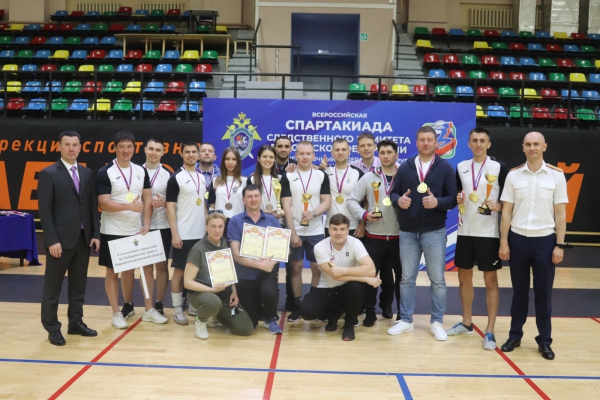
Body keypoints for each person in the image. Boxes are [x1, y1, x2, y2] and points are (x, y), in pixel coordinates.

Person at [499, 131, 568, 361]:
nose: (532, 148)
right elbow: (506, 211)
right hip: (517, 239)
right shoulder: (513, 175)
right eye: (528, 144)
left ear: (544, 147)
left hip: (545, 241)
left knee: (543, 294)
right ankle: (515, 336)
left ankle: (544, 342)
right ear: (523, 147)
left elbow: (560, 214)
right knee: (519, 293)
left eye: (536, 144)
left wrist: (559, 245)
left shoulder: (557, 175)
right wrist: (504, 241)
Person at [388, 126, 457, 341]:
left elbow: (452, 198)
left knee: (437, 279)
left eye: (429, 140)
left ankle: (437, 322)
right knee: (407, 278)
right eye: (422, 140)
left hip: (434, 231)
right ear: (416, 142)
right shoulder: (406, 166)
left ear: (436, 143)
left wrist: (438, 203)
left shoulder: (445, 168)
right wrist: (399, 200)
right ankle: (406, 320)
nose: (426, 143)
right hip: (408, 232)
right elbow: (393, 193)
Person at [445, 128, 508, 351]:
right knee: (464, 278)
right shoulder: (461, 167)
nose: (478, 144)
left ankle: (490, 330)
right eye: (474, 140)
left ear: (489, 144)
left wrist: (499, 206)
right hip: (465, 232)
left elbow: (508, 201)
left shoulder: (499, 168)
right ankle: (467, 323)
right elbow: (457, 195)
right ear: (469, 144)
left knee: (490, 282)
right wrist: (457, 197)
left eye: (482, 140)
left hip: (488, 234)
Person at [97, 131, 167, 329]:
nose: (125, 150)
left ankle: (149, 310)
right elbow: (103, 203)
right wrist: (128, 206)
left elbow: (147, 197)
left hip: (136, 230)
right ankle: (116, 313)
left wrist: (146, 223)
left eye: (129, 147)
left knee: (146, 269)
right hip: (112, 230)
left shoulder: (140, 171)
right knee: (113, 272)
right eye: (122, 146)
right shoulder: (105, 172)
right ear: (115, 148)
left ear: (135, 149)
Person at [38, 130, 101, 346]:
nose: (71, 148)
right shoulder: (48, 173)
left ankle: (75, 322)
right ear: (59, 147)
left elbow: (91, 206)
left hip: (83, 239)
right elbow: (45, 211)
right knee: (52, 288)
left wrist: (95, 233)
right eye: (67, 144)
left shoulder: (86, 173)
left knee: (78, 286)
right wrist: (52, 240)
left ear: (80, 147)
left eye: (75, 145)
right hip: (60, 242)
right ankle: (52, 327)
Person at [300, 214, 381, 341]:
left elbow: (371, 269)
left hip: (348, 289)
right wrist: (365, 279)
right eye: (335, 229)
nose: (338, 233)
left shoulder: (355, 243)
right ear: (329, 230)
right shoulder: (320, 247)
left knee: (356, 288)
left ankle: (349, 324)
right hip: (327, 288)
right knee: (306, 311)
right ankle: (334, 313)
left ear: (348, 230)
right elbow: (335, 275)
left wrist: (343, 270)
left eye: (342, 229)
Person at [347, 140, 402, 326]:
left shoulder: (404, 176)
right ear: (379, 155)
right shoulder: (369, 177)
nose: (386, 156)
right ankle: (370, 312)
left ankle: (402, 314)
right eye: (382, 152)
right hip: (374, 236)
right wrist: (364, 215)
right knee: (370, 275)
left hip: (400, 237)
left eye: (389, 152)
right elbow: (351, 200)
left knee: (401, 277)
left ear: (396, 155)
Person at [280, 140, 331, 322]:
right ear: (296, 155)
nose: (305, 157)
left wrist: (314, 212)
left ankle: (312, 305)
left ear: (313, 155)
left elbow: (327, 201)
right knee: (296, 268)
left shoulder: (321, 175)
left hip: (316, 231)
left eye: (308, 153)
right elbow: (286, 206)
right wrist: (292, 233)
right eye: (301, 153)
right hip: (295, 230)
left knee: (317, 268)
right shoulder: (288, 176)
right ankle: (296, 307)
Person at [184, 211, 254, 339]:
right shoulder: (197, 249)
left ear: (224, 227)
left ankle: (215, 313)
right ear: (206, 226)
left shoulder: (226, 244)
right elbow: (187, 282)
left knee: (246, 329)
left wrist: (233, 290)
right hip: (201, 293)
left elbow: (229, 272)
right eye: (213, 226)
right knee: (212, 302)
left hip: (223, 294)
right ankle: (201, 320)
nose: (217, 230)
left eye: (220, 226)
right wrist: (212, 289)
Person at [227, 185, 282, 334]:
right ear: (243, 200)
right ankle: (259, 311)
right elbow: (236, 254)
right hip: (245, 274)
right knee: (250, 323)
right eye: (249, 196)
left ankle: (270, 319)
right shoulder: (235, 221)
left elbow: (284, 250)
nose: (253, 199)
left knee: (270, 292)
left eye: (256, 196)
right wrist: (260, 265)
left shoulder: (272, 220)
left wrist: (270, 263)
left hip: (266, 273)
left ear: (261, 198)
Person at [166, 141, 208, 326]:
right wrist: (175, 234)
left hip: (200, 234)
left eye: (194, 152)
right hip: (183, 234)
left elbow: (203, 205)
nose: (191, 155)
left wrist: (207, 230)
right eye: (187, 152)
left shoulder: (201, 177)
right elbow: (170, 208)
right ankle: (177, 309)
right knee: (179, 272)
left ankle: (193, 304)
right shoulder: (176, 178)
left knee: (197, 271)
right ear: (181, 154)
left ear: (198, 155)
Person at [142, 138, 172, 317]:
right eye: (151, 149)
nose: (154, 152)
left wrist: (163, 203)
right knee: (145, 268)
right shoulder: (136, 171)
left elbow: (175, 202)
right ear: (145, 150)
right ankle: (148, 305)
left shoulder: (168, 175)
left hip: (162, 225)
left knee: (161, 267)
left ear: (163, 152)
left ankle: (159, 302)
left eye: (158, 150)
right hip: (141, 227)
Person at [323, 138, 365, 238]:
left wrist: (362, 224)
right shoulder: (325, 172)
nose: (340, 152)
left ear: (349, 152)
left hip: (353, 226)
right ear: (332, 153)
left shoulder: (358, 173)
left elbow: (366, 201)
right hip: (331, 226)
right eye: (337, 150)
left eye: (343, 149)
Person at [208, 146, 247, 235]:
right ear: (223, 161)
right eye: (227, 159)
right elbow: (212, 206)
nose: (230, 162)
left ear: (238, 162)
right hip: (219, 225)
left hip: (238, 223)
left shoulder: (245, 181)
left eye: (234, 159)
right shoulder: (215, 181)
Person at [249, 145, 283, 219]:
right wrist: (264, 213)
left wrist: (281, 213)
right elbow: (248, 205)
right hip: (258, 221)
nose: (268, 160)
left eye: (271, 157)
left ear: (275, 159)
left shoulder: (281, 179)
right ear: (259, 158)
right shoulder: (252, 180)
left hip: (278, 222)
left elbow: (286, 203)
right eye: (264, 157)